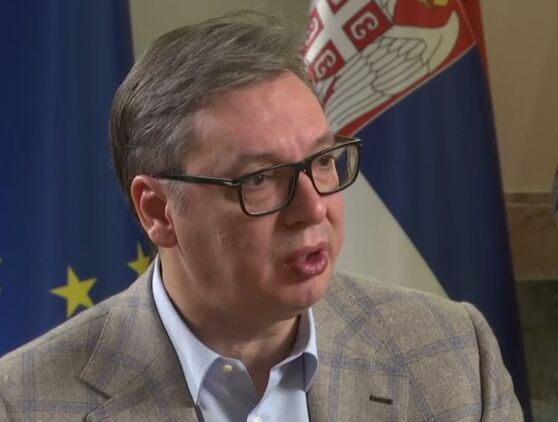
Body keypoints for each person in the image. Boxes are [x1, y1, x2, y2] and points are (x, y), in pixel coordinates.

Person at [0, 10, 523, 421]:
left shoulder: (452, 354)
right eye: (259, 179)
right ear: (158, 211)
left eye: (322, 161)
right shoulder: (24, 403)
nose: (312, 208)